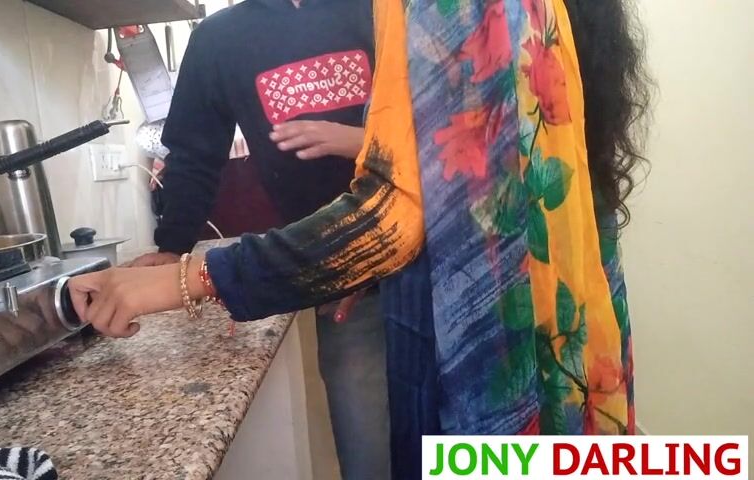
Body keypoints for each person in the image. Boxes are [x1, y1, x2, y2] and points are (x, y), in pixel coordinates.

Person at [71, 0, 650, 476]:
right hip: (519, 285)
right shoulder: (223, 38)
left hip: (468, 288)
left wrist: (181, 280)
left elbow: (407, 200)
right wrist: (175, 246)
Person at [123, 0, 391, 478]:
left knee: (474, 432)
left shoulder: (382, 9)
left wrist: (359, 140)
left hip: (436, 257)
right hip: (342, 282)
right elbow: (194, 154)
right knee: (369, 453)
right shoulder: (219, 39)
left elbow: (442, 122)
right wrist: (171, 247)